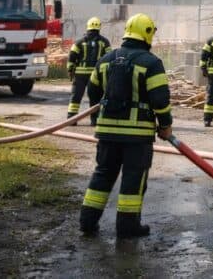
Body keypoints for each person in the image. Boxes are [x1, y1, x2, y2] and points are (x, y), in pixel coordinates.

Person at [79, 13, 172, 238]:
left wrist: (101, 115)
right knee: (133, 178)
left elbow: (92, 91)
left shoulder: (106, 60)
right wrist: (165, 125)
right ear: (147, 33)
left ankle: (87, 222)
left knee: (102, 175)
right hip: (137, 136)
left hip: (108, 133)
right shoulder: (151, 63)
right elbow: (160, 100)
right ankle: (128, 227)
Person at [67, 17, 112, 124]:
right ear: (99, 27)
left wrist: (70, 70)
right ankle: (95, 120)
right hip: (96, 75)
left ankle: (71, 119)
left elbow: (71, 57)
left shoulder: (79, 42)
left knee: (76, 97)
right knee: (95, 97)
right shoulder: (104, 42)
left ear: (88, 27)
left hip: (80, 75)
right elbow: (109, 58)